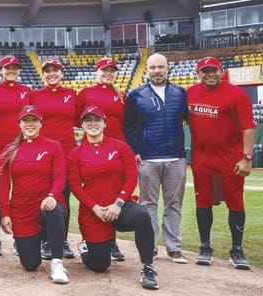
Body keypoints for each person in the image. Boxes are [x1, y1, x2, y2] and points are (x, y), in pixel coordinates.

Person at [68, 106, 159, 290]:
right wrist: (95, 208)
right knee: (100, 266)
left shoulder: (120, 146)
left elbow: (131, 176)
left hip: (120, 206)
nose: (93, 123)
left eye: (97, 120)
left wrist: (118, 203)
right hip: (94, 211)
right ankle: (86, 247)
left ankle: (147, 267)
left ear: (105, 124)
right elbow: (76, 186)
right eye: (88, 120)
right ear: (82, 125)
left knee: (142, 215)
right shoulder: (75, 154)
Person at [186, 57, 255, 270]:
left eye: (213, 70)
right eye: (205, 71)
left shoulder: (236, 94)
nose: (210, 74)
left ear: (221, 71)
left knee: (236, 203)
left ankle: (237, 250)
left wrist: (247, 158)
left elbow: (249, 127)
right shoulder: (191, 92)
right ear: (199, 73)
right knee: (203, 202)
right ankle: (205, 246)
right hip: (202, 159)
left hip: (229, 159)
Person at [124, 53, 189, 263]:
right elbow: (128, 126)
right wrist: (134, 150)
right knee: (148, 204)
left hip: (175, 156)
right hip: (148, 158)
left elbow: (190, 121)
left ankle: (174, 248)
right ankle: (149, 245)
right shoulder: (135, 95)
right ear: (147, 70)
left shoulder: (180, 93)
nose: (157, 71)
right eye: (153, 67)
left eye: (161, 67)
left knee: (174, 204)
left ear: (168, 68)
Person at [0, 105, 69, 284]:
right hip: (21, 210)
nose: (30, 124)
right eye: (25, 121)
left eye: (34, 120)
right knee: (30, 264)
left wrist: (52, 195)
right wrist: (5, 214)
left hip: (45, 203)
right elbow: (3, 187)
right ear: (19, 124)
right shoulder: (10, 150)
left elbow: (60, 176)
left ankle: (57, 262)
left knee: (55, 211)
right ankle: (36, 243)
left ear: (41, 123)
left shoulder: (53, 146)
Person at [75, 56, 126, 260]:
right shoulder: (86, 93)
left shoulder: (120, 95)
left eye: (112, 70)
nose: (108, 73)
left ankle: (111, 242)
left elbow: (124, 122)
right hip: (93, 149)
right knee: (92, 192)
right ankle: (89, 239)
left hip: (116, 150)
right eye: (104, 69)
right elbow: (77, 119)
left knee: (113, 194)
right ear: (97, 71)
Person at [29, 59, 77, 259]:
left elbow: (87, 115)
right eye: (47, 71)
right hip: (43, 153)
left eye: (55, 70)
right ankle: (45, 240)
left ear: (62, 72)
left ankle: (62, 240)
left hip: (67, 154)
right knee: (41, 195)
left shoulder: (72, 94)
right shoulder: (35, 95)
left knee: (63, 197)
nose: (51, 74)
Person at [0, 55, 31, 257]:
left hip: (21, 148)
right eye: (7, 68)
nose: (11, 71)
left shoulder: (26, 91)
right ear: (1, 70)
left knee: (22, 193)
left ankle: (20, 236)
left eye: (15, 68)